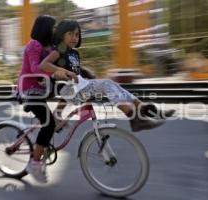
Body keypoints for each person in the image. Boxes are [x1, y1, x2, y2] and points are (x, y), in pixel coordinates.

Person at [39, 19, 175, 132]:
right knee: (106, 84)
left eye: (76, 34)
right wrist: (64, 71)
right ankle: (133, 117)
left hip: (79, 87)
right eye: (70, 34)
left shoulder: (74, 53)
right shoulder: (58, 51)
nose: (74, 38)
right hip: (70, 90)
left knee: (113, 84)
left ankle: (144, 109)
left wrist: (85, 73)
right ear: (61, 35)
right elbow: (44, 65)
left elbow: (76, 70)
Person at [17, 15, 75, 183]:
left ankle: (57, 115)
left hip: (44, 86)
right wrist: (57, 73)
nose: (55, 30)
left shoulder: (50, 47)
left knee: (70, 89)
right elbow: (36, 67)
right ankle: (34, 164)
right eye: (53, 27)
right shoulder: (33, 45)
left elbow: (58, 64)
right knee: (48, 126)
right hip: (30, 90)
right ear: (45, 29)